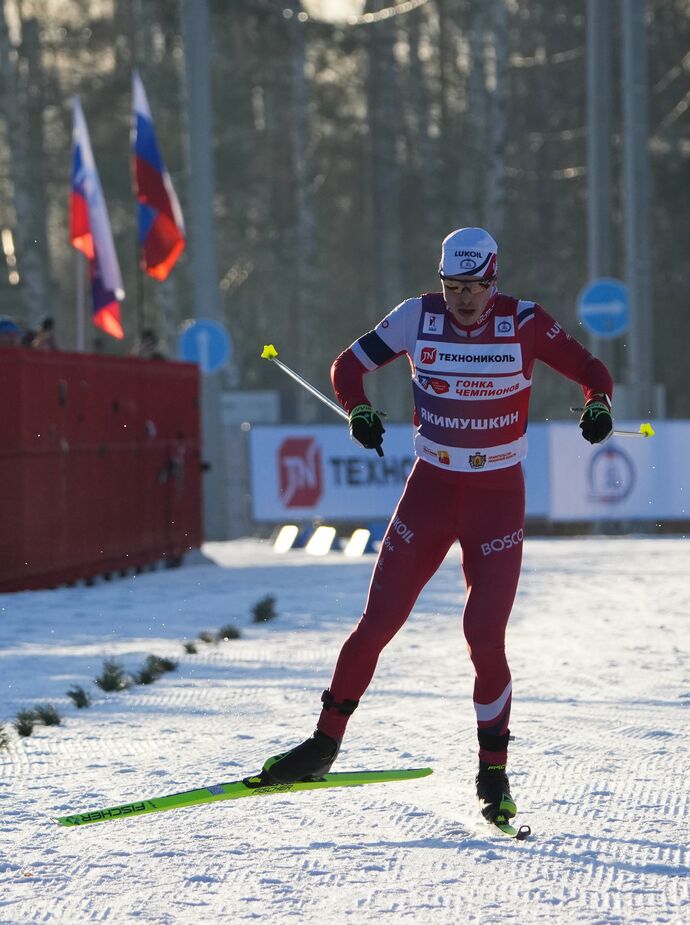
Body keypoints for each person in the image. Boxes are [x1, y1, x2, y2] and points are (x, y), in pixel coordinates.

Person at [260, 228, 615, 830]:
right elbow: (348, 366)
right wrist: (359, 409)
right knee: (378, 621)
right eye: (453, 288)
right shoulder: (416, 317)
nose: (462, 301)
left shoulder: (525, 322)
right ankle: (323, 744)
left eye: (473, 288)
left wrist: (598, 403)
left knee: (483, 633)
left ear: (493, 282)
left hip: (497, 498)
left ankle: (494, 774)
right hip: (431, 489)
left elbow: (589, 368)